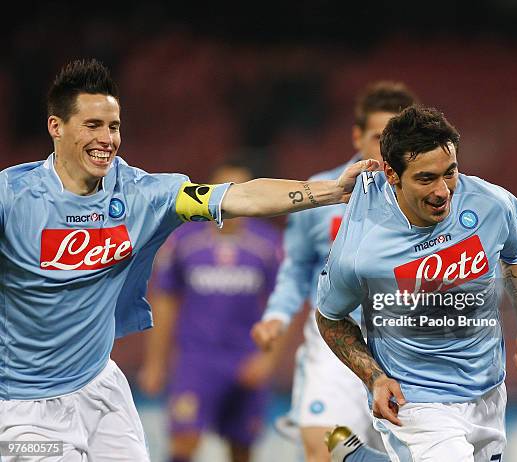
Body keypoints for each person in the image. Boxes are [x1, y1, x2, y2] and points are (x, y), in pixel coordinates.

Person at [0, 58, 378, 461]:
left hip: (99, 387)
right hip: (26, 407)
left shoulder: (143, 194)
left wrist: (330, 192)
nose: (107, 138)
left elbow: (242, 197)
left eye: (113, 126)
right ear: (55, 126)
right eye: (92, 126)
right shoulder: (13, 198)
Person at [316, 106, 517, 462]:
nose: (443, 192)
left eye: (449, 173)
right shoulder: (361, 246)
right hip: (415, 398)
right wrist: (373, 376)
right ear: (392, 173)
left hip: (486, 388)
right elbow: (329, 317)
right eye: (426, 179)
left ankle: (360, 459)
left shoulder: (491, 204)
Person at [251, 81, 416, 461]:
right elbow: (297, 266)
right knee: (326, 445)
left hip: (403, 346)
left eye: (396, 137)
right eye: (378, 136)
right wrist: (277, 315)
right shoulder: (320, 193)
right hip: (336, 342)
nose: (386, 147)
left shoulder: (430, 198)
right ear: (357, 136)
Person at [139, 161, 284, 462]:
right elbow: (165, 302)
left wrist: (267, 360)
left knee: (241, 448)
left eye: (240, 191)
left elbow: (284, 303)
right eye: (225, 191)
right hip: (196, 360)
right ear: (211, 194)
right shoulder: (183, 242)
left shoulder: (269, 245)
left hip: (245, 358)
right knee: (183, 441)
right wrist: (155, 363)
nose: (232, 199)